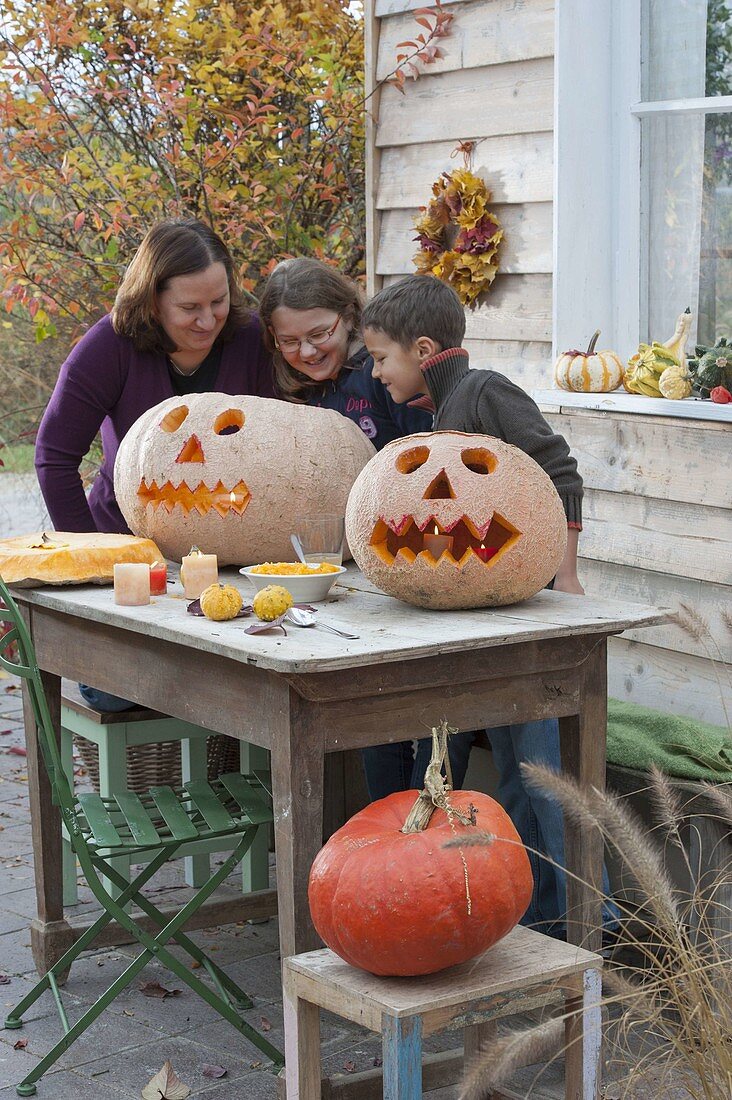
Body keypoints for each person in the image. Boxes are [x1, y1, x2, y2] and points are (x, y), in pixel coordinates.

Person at [359, 273, 618, 939]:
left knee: (544, 781)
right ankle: (538, 920)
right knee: (511, 779)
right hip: (492, 620)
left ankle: (599, 920)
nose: (377, 373)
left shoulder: (484, 392)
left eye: (382, 358)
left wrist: (567, 578)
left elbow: (558, 473)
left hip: (529, 620)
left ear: (421, 348)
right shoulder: (441, 413)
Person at [35, 217, 275, 709]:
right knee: (119, 692)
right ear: (152, 301)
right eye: (189, 307)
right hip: (129, 562)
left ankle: (233, 779)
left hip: (233, 559)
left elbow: (280, 444)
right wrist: (94, 558)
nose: (208, 320)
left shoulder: (250, 340)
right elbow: (53, 457)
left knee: (255, 683)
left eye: (219, 302)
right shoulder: (108, 347)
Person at [258, 258, 433, 449]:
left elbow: (430, 450)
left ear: (349, 316)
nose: (307, 352)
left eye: (318, 334)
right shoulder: (290, 385)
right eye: (289, 341)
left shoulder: (385, 372)